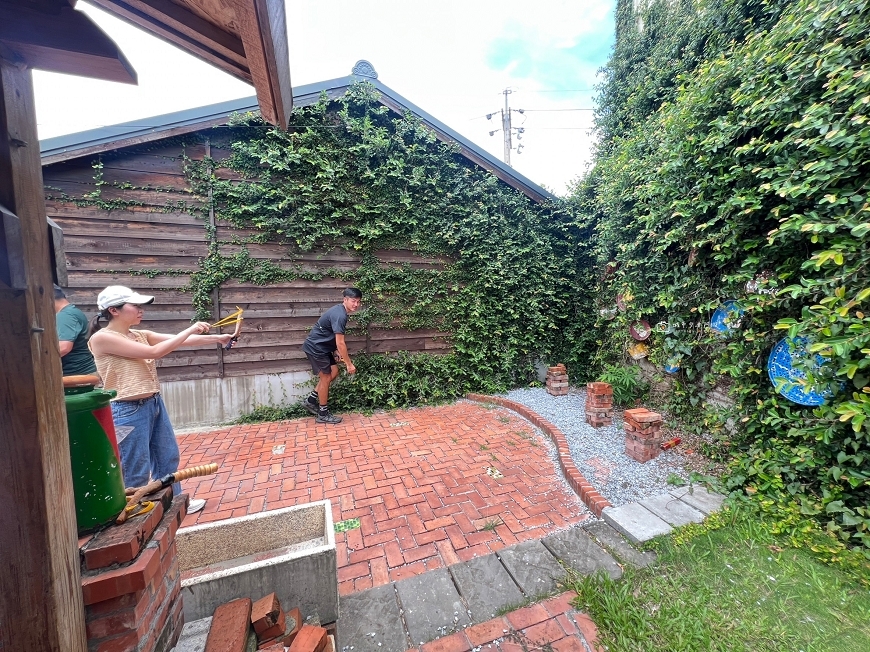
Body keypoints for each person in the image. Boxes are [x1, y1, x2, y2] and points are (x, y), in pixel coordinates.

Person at [87, 286, 234, 514]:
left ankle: (174, 504)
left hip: (153, 403)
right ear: (114, 310)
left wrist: (218, 337)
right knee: (136, 468)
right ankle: (133, 513)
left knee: (167, 458)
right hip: (127, 409)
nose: (140, 310)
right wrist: (191, 327)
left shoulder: (139, 334)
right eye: (135, 305)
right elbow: (155, 352)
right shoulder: (102, 338)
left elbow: (179, 341)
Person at [301, 288, 363, 424]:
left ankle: (311, 401)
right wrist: (348, 363)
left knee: (333, 372)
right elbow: (340, 343)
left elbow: (332, 336)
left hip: (322, 348)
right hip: (316, 348)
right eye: (353, 301)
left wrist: (335, 351)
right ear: (345, 299)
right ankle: (323, 414)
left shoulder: (340, 312)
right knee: (326, 377)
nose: (356, 305)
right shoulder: (340, 315)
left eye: (358, 302)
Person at [53, 284, 97, 376]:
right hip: (82, 372)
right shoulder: (72, 311)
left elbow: (64, 347)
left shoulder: (65, 315)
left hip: (77, 375)